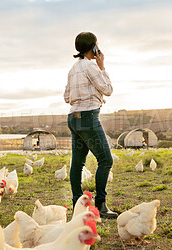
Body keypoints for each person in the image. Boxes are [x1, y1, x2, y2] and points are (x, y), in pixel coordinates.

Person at [64, 32, 117, 219]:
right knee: (106, 160)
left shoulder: (73, 69)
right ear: (94, 47)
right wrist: (102, 67)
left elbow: (67, 97)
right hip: (88, 118)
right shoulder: (91, 67)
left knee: (77, 164)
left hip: (73, 118)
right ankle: (101, 205)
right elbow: (108, 90)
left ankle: (78, 205)